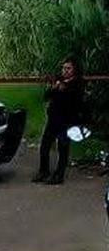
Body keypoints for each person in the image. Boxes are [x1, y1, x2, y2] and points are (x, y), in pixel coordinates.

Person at [33, 57, 86, 185]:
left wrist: (65, 90)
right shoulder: (59, 81)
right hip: (53, 118)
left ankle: (59, 174)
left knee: (63, 147)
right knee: (45, 145)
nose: (65, 71)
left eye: (68, 68)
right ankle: (43, 171)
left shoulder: (77, 84)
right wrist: (55, 88)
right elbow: (47, 96)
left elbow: (76, 102)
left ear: (74, 70)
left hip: (67, 120)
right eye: (64, 68)